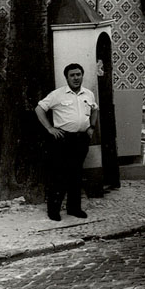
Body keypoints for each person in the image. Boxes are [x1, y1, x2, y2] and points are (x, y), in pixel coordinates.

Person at [35, 63, 98, 221]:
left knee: (76, 175)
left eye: (78, 74)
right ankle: (53, 210)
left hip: (81, 139)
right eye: (72, 75)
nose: (76, 78)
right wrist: (49, 128)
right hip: (63, 140)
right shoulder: (58, 94)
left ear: (82, 75)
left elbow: (94, 109)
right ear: (67, 77)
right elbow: (39, 108)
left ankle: (74, 209)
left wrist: (92, 126)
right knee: (59, 175)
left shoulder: (88, 94)